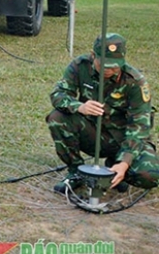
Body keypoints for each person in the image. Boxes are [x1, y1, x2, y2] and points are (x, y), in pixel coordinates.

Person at [47, 33, 158, 194]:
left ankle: (116, 168)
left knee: (151, 175)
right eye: (104, 64)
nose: (109, 70)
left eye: (114, 66)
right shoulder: (80, 66)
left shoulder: (135, 82)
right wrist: (79, 106)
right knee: (57, 118)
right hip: (93, 132)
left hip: (124, 140)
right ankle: (77, 172)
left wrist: (124, 162)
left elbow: (139, 127)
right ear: (93, 56)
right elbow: (58, 94)